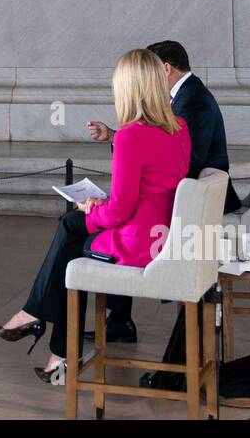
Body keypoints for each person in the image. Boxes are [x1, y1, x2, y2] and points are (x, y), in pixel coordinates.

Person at [0, 49, 190, 382]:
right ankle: (52, 347)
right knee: (71, 233)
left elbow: (122, 210)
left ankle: (41, 325)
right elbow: (154, 188)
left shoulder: (131, 136)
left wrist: (93, 211)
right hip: (163, 233)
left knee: (70, 238)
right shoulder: (179, 127)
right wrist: (103, 206)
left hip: (138, 243)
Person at [87, 40, 234, 386]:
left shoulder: (193, 103)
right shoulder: (181, 104)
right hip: (180, 200)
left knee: (94, 226)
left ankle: (64, 340)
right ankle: (117, 320)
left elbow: (186, 165)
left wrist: (129, 189)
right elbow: (166, 154)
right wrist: (118, 139)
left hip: (191, 207)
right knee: (115, 218)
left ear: (165, 69)